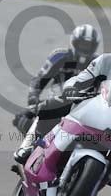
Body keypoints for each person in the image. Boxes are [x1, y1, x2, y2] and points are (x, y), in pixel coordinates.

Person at [15, 28, 111, 188]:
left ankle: (94, 183)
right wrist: (71, 88)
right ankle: (33, 146)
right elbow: (79, 79)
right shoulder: (106, 61)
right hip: (90, 109)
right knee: (49, 108)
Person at [12, 24, 99, 164]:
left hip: (85, 110)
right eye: (82, 44)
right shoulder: (60, 56)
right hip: (57, 104)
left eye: (88, 45)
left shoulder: (98, 63)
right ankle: (28, 147)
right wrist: (33, 99)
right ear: (74, 42)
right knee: (23, 117)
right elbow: (39, 80)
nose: (84, 48)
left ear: (94, 46)